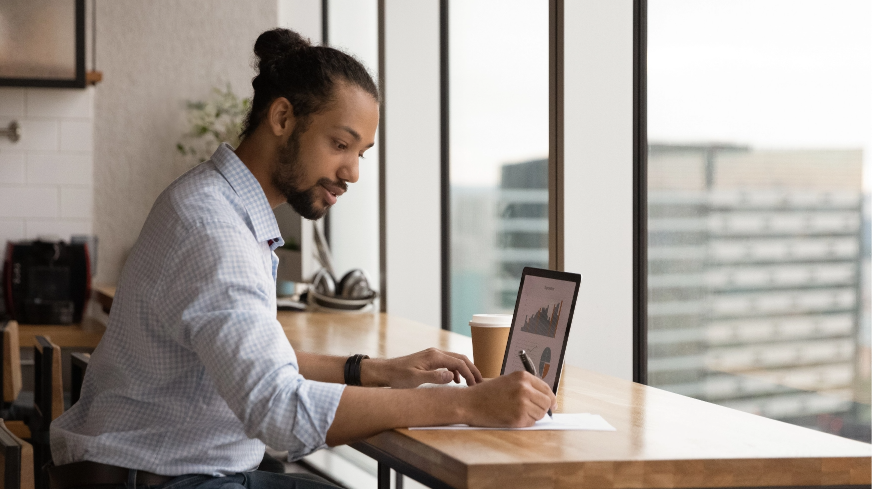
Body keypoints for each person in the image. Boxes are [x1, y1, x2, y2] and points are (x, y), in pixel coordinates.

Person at [49, 28, 556, 489]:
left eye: (362, 153)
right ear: (283, 117)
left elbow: (255, 364)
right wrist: (466, 403)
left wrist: (373, 370)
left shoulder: (218, 205)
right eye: (341, 144)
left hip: (164, 471)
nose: (353, 172)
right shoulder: (214, 229)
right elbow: (280, 411)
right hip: (166, 479)